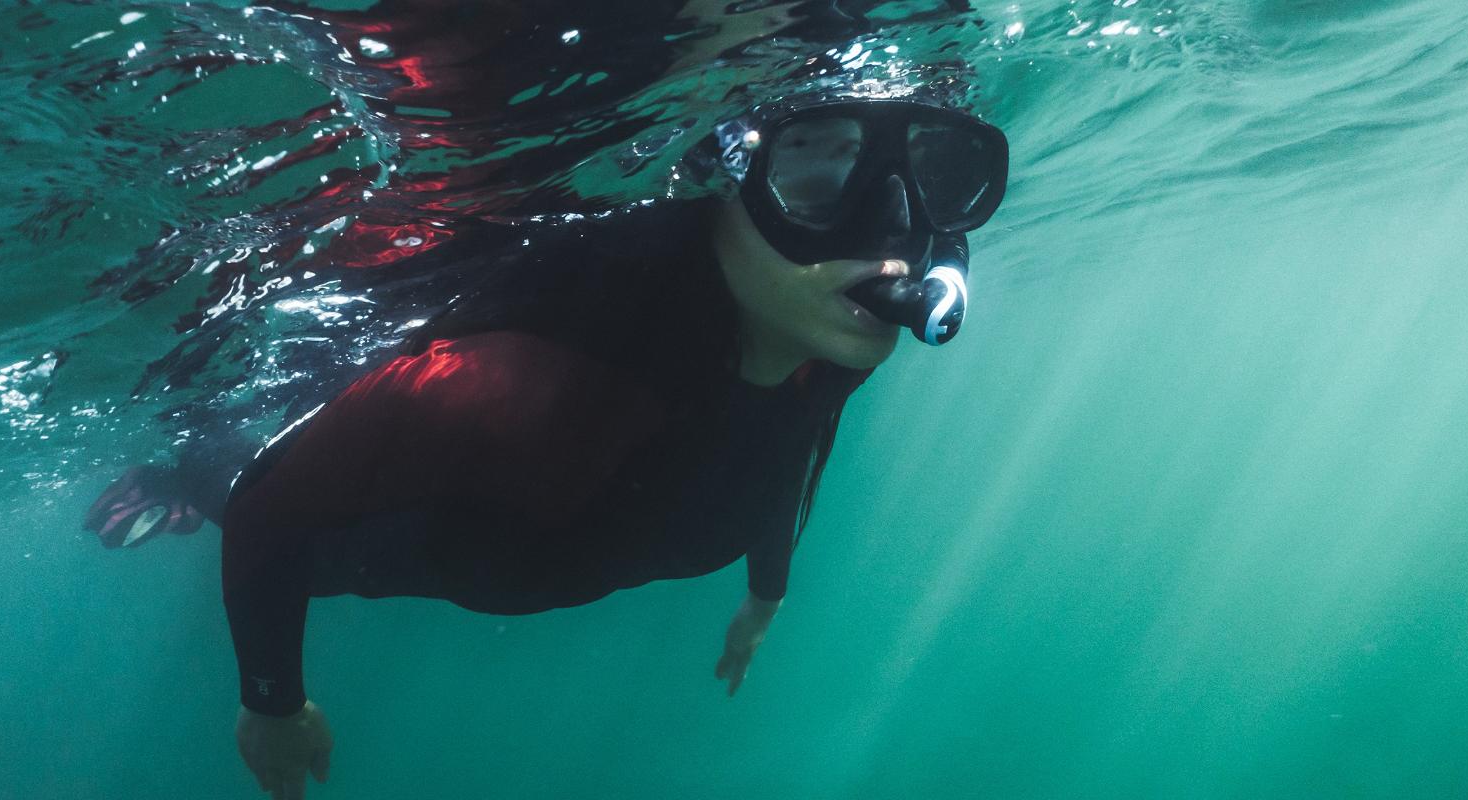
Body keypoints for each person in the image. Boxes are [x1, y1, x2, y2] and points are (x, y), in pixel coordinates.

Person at [88, 85, 1009, 800]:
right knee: (241, 487)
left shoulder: (826, 335)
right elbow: (274, 507)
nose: (897, 237)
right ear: (726, 187)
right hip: (435, 537)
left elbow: (796, 450)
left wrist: (764, 597)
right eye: (816, 175)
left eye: (933, 179)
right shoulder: (527, 372)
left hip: (585, 532)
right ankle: (176, 481)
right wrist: (272, 706)